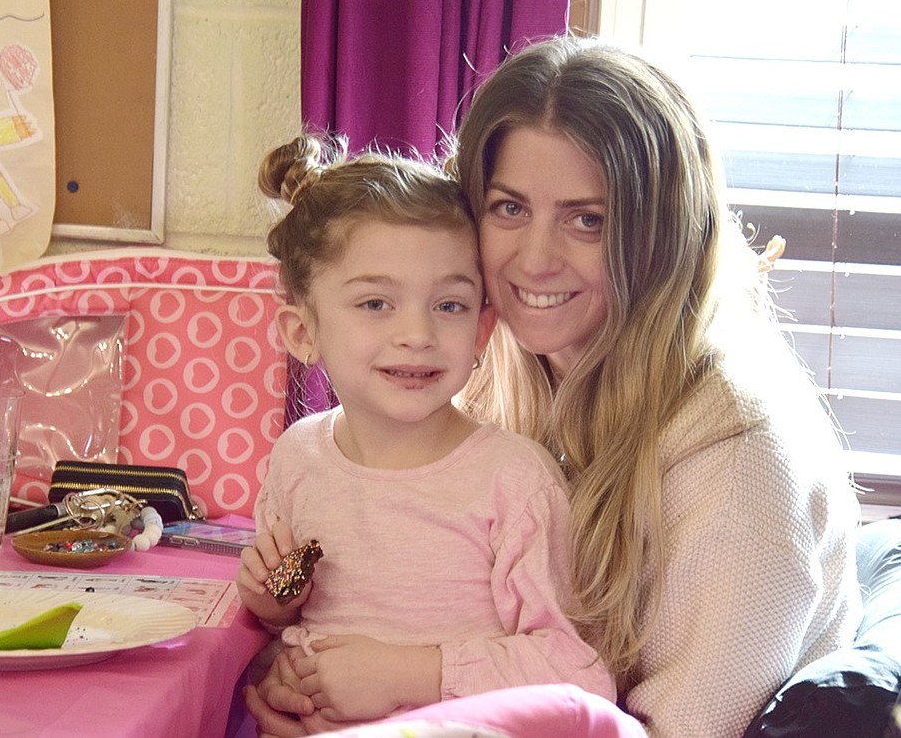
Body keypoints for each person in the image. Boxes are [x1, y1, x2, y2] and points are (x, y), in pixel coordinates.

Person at [247, 37, 863, 738]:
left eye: (587, 219)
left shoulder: (738, 468)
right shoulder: (522, 364)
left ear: (661, 232)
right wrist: (296, 679)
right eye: (509, 208)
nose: (534, 261)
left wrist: (393, 699)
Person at [236, 134, 626, 732]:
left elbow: (578, 673)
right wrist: (272, 611)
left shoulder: (513, 481)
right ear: (301, 332)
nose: (417, 333)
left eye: (448, 305)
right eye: (375, 304)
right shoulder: (297, 458)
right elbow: (289, 626)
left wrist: (405, 673)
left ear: (481, 330)